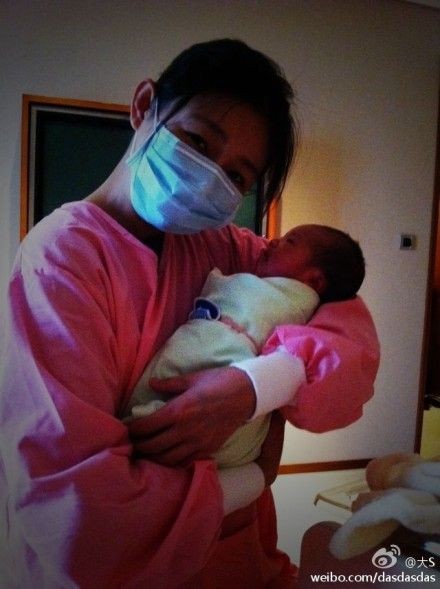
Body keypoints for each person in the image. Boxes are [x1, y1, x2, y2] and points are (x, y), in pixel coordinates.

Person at [0, 39, 380, 588]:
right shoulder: (62, 261)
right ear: (144, 106)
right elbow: (78, 521)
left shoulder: (225, 249)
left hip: (246, 565)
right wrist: (252, 477)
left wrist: (255, 387)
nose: (209, 177)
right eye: (198, 141)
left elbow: (352, 348)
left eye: (238, 177)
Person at [127, 224, 365, 472]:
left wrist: (259, 385)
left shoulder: (298, 302)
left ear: (314, 280)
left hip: (230, 433)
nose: (272, 241)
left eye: (289, 241)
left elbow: (345, 355)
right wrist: (257, 476)